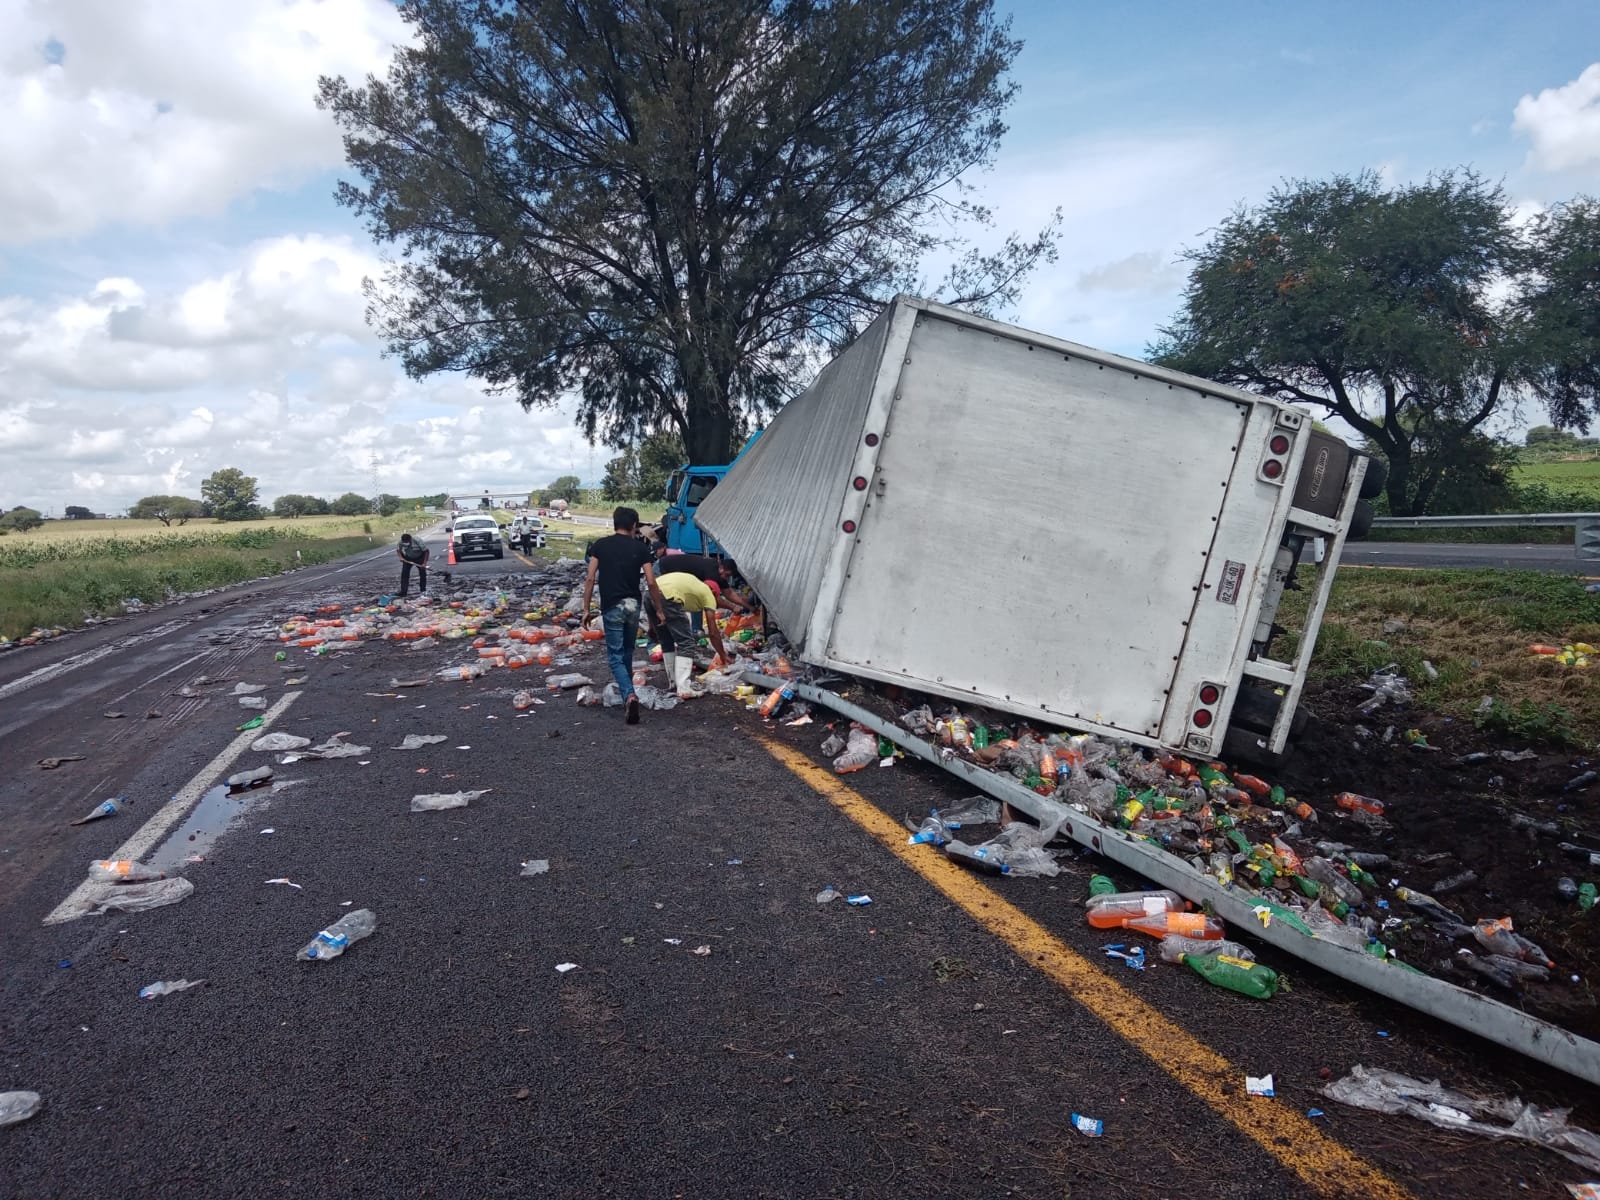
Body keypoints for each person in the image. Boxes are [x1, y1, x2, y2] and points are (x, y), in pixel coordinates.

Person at [580, 507, 666, 725]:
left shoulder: (600, 545)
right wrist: (658, 609)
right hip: (633, 605)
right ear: (634, 525)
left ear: (615, 522)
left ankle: (629, 694)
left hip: (612, 606)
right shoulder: (641, 548)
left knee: (615, 655)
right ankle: (627, 694)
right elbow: (651, 581)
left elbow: (590, 579)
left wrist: (586, 609)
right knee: (627, 651)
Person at [656, 571, 730, 697]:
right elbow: (713, 631)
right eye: (717, 597)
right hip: (668, 595)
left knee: (666, 641)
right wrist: (723, 656)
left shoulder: (695, 584)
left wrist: (654, 629)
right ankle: (684, 688)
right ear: (714, 592)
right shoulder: (708, 593)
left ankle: (673, 683)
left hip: (650, 592)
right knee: (686, 643)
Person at [396, 533, 429, 597]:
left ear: (410, 539)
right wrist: (401, 557)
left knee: (422, 574)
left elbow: (426, 551)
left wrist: (424, 563)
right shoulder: (401, 542)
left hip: (419, 557)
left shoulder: (417, 541)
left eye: (407, 542)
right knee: (404, 574)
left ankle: (423, 590)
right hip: (408, 558)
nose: (406, 543)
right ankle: (403, 592)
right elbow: (398, 550)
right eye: (405, 542)